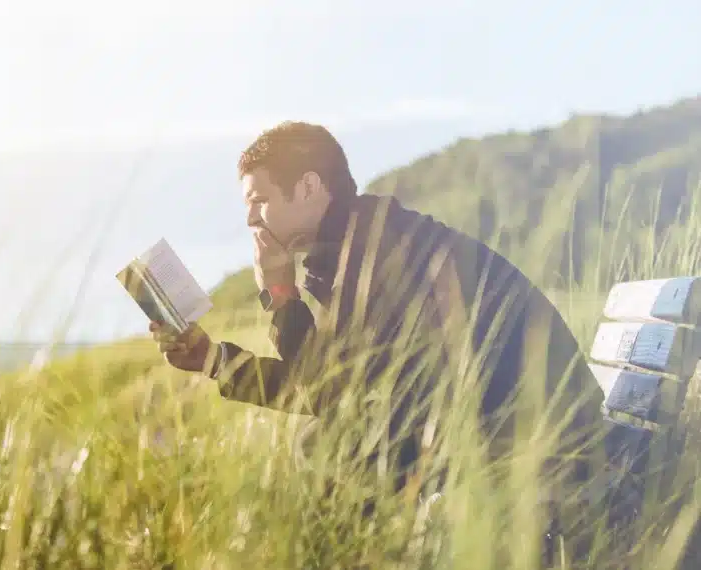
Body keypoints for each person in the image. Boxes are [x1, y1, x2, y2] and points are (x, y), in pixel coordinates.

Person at [149, 121, 612, 522]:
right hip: (501, 433)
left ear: (308, 188)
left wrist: (281, 294)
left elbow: (329, 394)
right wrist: (211, 358)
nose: (250, 218)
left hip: (546, 451)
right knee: (328, 443)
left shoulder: (377, 251)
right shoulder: (349, 248)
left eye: (259, 200)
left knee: (328, 446)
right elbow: (329, 386)